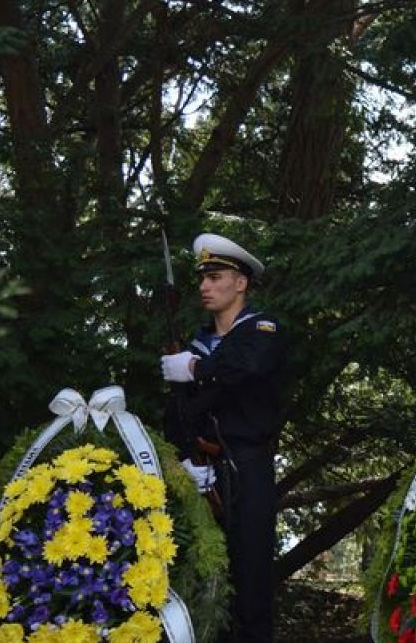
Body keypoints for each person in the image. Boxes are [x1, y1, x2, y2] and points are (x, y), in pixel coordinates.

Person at [161, 233, 289, 643]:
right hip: (202, 472)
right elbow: (177, 413)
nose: (205, 286)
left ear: (241, 282)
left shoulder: (263, 330)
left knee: (251, 583)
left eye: (215, 277)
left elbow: (248, 367)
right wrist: (186, 460)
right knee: (202, 584)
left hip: (247, 468)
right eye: (202, 279)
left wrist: (195, 369)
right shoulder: (195, 344)